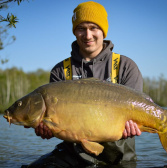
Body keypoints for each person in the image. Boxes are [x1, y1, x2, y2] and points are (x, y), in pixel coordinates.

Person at [27, 1, 143, 168]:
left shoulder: (125, 66)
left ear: (103, 30)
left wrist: (132, 126)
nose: (88, 35)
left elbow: (137, 111)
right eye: (81, 28)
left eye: (93, 27)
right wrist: (47, 130)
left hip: (118, 157)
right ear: (75, 32)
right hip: (72, 156)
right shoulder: (60, 71)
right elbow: (57, 124)